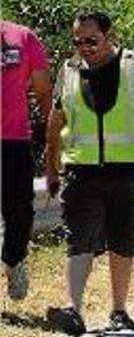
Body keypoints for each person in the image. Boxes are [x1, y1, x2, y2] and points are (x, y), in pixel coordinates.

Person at [44, 12, 134, 335]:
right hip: (82, 171)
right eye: (77, 42)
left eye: (91, 41)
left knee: (122, 242)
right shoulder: (68, 71)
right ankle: (73, 310)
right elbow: (56, 121)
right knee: (79, 241)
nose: (84, 48)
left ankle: (119, 311)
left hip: (128, 171)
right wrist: (51, 166)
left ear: (109, 36)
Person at [1, 20, 52, 301]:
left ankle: (13, 258)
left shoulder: (22, 37)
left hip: (14, 141)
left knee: (20, 212)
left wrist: (52, 137)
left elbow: (43, 90)